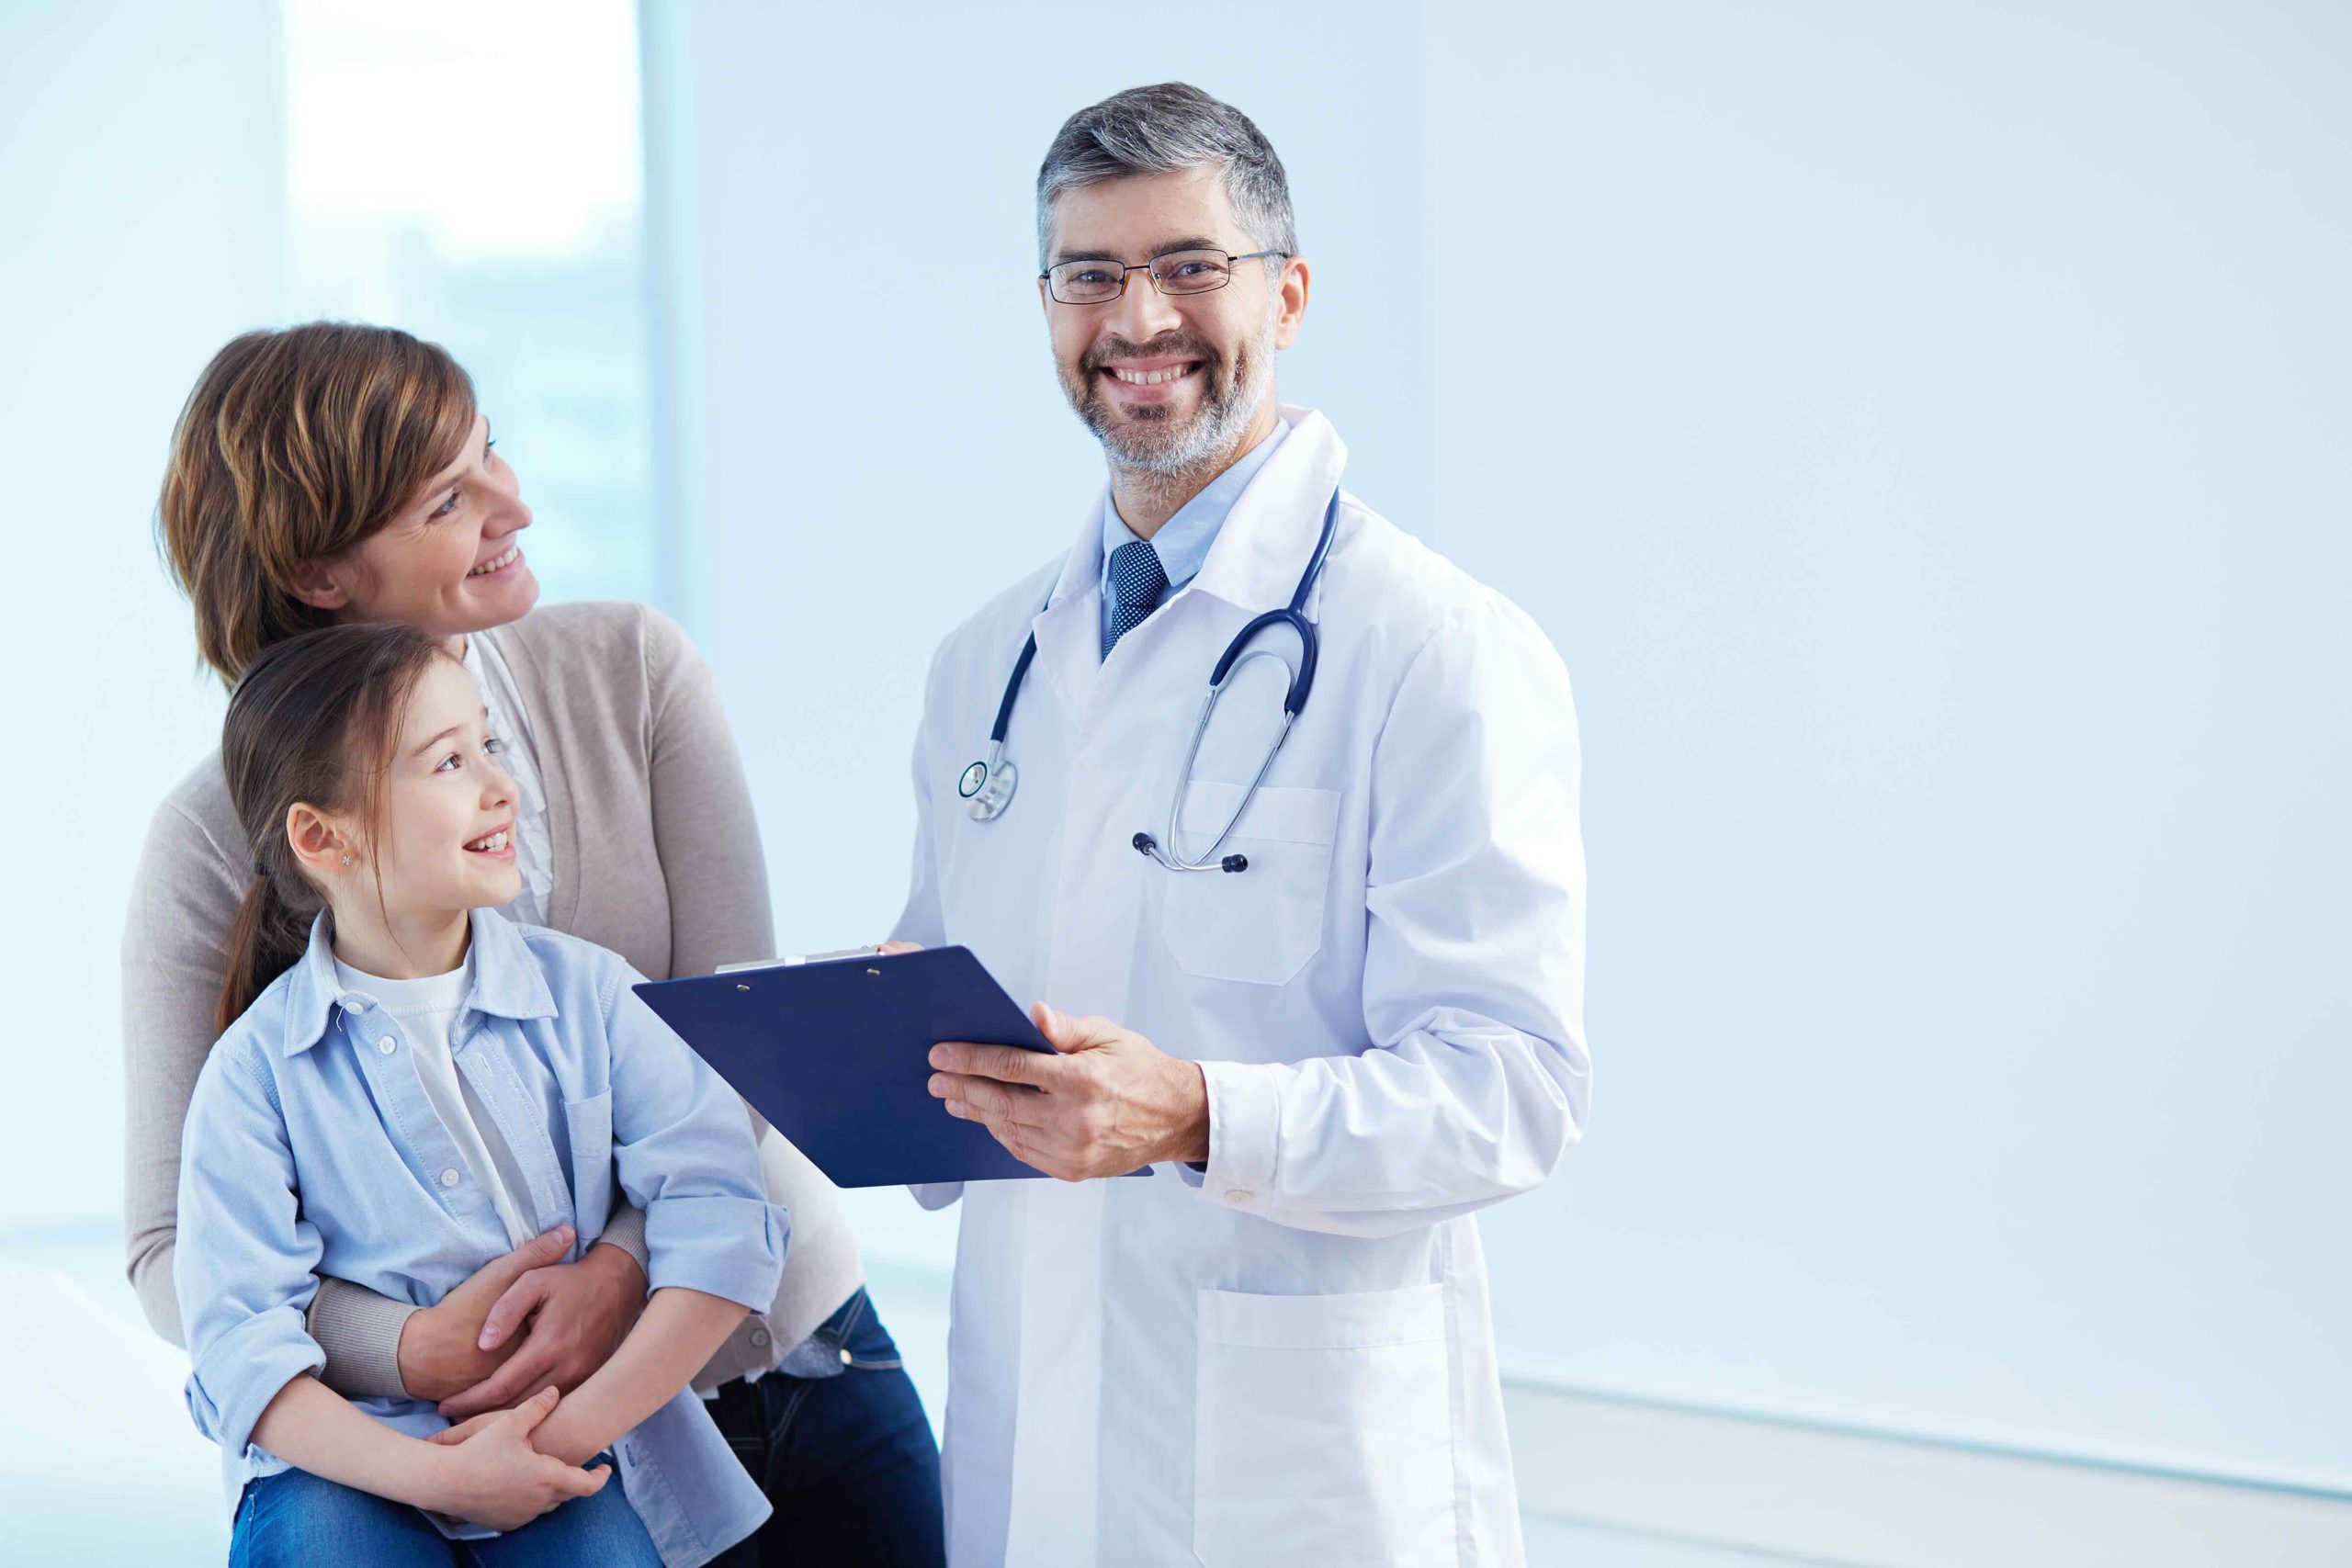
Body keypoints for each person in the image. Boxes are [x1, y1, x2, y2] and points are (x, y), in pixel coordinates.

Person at [898, 84, 1589, 1565]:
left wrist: (1202, 1113)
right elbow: (957, 1007)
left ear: (1289, 289)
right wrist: (873, 1045)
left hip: (1303, 1484)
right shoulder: (985, 669)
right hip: (1033, 1464)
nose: (1137, 316)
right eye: (1090, 273)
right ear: (1045, 307)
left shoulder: (1432, 648)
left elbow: (1511, 1085)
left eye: (1189, 265)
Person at [129, 323, 943, 1564]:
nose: (515, 501)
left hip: (781, 1360)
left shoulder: (633, 671)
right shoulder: (210, 839)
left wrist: (618, 1268)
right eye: (449, 496)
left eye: (491, 450)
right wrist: (415, 1349)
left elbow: (740, 1051)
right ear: (320, 573)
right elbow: (175, 1248)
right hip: (460, 1453)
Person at [182, 621, 782, 1564]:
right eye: (449, 761)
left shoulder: (598, 996)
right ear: (321, 837)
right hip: (348, 1462)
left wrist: (556, 1440)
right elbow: (237, 1343)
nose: (501, 784)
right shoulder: (254, 1073)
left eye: (490, 745)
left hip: (576, 1440)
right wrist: (443, 1476)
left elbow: (722, 1221)